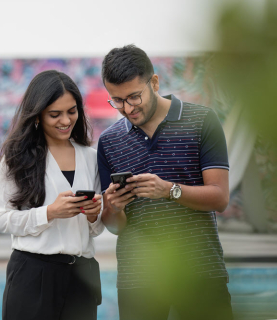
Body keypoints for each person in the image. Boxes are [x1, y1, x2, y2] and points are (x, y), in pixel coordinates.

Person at [98, 45, 234, 320]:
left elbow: (220, 198)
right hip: (138, 279)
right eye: (117, 100)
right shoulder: (109, 142)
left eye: (134, 96)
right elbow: (114, 227)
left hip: (199, 271)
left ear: (155, 82)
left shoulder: (202, 121)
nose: (127, 108)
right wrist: (113, 207)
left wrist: (169, 190)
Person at [0, 70, 105, 320]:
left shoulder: (90, 157)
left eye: (72, 111)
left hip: (81, 278)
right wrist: (49, 213)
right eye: (55, 114)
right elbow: (1, 219)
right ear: (37, 116)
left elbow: (96, 229)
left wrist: (93, 215)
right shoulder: (15, 159)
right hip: (33, 274)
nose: (65, 121)